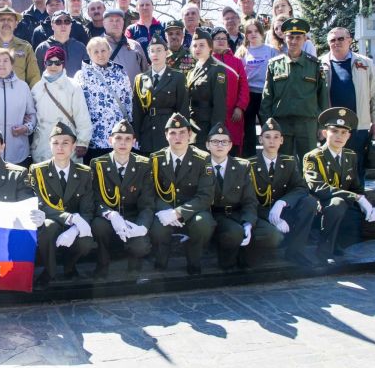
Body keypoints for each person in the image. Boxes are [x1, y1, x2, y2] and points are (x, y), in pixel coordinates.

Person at [303, 108, 375, 264]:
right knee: (338, 203)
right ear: (324, 133)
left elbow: (356, 187)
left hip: (344, 209)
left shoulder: (350, 156)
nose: (339, 136)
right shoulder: (313, 157)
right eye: (334, 131)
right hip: (320, 209)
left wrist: (365, 204)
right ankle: (323, 251)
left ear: (349, 136)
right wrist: (356, 197)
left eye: (343, 132)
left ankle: (338, 243)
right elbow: (318, 187)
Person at [28, 122, 94, 285]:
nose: (60, 147)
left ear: (73, 146)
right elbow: (40, 204)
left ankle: (70, 267)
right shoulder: (38, 170)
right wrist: (71, 218)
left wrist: (74, 229)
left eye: (65, 142)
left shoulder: (84, 173)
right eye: (56, 143)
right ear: (50, 145)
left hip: (74, 224)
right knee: (48, 228)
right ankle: (49, 271)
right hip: (53, 221)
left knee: (85, 241)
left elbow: (88, 209)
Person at [149, 113, 215, 274]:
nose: (177, 137)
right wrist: (165, 211)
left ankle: (194, 261)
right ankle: (161, 261)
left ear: (190, 135)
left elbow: (206, 196)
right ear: (166, 135)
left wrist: (178, 212)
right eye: (172, 133)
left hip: (192, 210)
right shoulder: (155, 159)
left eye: (182, 133)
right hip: (165, 209)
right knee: (157, 227)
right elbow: (149, 193)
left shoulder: (203, 159)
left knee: (203, 223)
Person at [248, 118, 318, 267]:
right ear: (260, 140)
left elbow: (301, 188)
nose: (271, 141)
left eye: (275, 137)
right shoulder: (249, 164)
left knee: (309, 202)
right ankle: (256, 251)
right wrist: (271, 215)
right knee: (273, 237)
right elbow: (247, 200)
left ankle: (295, 251)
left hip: (283, 211)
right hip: (260, 214)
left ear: (282, 140)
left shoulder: (289, 162)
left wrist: (282, 202)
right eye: (267, 137)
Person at [320, 27, 375, 188]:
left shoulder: (365, 63)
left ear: (349, 40)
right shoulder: (320, 64)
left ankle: (358, 203)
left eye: (341, 39)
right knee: (331, 168)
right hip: (330, 127)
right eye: (332, 40)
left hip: (358, 126)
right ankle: (335, 206)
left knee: (357, 168)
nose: (336, 43)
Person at [90, 119, 153, 278]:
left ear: (134, 142)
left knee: (140, 245)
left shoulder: (144, 165)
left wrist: (142, 227)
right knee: (98, 226)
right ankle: (102, 264)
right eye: (118, 138)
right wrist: (111, 215)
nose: (123, 143)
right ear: (110, 140)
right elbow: (95, 199)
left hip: (133, 215)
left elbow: (147, 203)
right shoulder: (98, 164)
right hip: (108, 216)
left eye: (127, 139)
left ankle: (134, 266)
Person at [261, 18, 328, 162]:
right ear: (285, 38)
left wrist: (322, 125)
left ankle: (307, 186)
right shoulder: (274, 65)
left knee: (310, 163)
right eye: (290, 37)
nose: (294, 41)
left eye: (298, 37)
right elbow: (267, 97)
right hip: (281, 123)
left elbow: (323, 97)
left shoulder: (315, 65)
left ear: (304, 39)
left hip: (307, 124)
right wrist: (267, 125)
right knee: (284, 163)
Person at [205, 122, 268, 270]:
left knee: (271, 234)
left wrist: (248, 222)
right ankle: (227, 262)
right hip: (215, 215)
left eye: (224, 141)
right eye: (215, 141)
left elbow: (250, 200)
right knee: (234, 232)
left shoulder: (242, 166)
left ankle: (247, 257)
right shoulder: (200, 166)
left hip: (237, 213)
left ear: (230, 145)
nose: (220, 145)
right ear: (207, 145)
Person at [75, 37, 133, 162]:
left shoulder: (121, 73)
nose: (100, 55)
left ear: (109, 51)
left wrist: (131, 129)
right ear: (89, 54)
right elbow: (77, 107)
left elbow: (129, 101)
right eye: (95, 52)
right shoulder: (81, 76)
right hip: (94, 138)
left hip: (118, 137)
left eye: (103, 50)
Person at [30, 46, 92, 163]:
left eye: (57, 62)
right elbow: (31, 116)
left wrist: (83, 142)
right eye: (50, 62)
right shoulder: (36, 88)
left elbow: (82, 116)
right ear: (44, 63)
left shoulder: (73, 86)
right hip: (43, 143)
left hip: (67, 141)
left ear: (63, 64)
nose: (53, 66)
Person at [132, 33, 189, 154]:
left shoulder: (177, 77)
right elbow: (137, 111)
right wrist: (136, 134)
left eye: (159, 50)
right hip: (147, 132)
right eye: (152, 51)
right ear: (148, 54)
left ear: (166, 52)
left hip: (169, 130)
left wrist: (183, 134)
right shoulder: (140, 79)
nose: (155, 54)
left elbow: (183, 109)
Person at [235, 19, 276, 157]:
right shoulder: (242, 52)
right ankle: (250, 159)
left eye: (256, 31)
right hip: (249, 95)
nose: (253, 34)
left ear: (262, 32)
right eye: (249, 32)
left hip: (266, 95)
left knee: (268, 127)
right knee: (248, 130)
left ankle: (270, 157)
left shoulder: (271, 51)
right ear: (245, 35)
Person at [212, 27, 249, 157]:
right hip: (214, 114)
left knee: (233, 148)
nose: (221, 41)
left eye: (223, 38)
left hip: (233, 114)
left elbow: (244, 86)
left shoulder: (237, 62)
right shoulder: (207, 62)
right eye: (217, 38)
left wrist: (240, 107)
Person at [186, 29, 227, 145]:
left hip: (207, 124)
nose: (197, 49)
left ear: (210, 47)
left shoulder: (217, 70)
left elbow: (219, 104)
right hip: (192, 123)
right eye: (195, 46)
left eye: (201, 45)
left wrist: (216, 132)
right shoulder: (192, 71)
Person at [35, 10, 87, 76]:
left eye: (67, 21)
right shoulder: (42, 48)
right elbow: (37, 76)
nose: (63, 25)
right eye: (58, 22)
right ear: (52, 25)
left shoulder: (81, 48)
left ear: (71, 25)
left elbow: (87, 74)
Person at [102, 9, 148, 82]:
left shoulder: (135, 45)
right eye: (111, 20)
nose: (115, 23)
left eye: (118, 20)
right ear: (104, 23)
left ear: (123, 22)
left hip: (134, 92)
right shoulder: (97, 46)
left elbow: (146, 73)